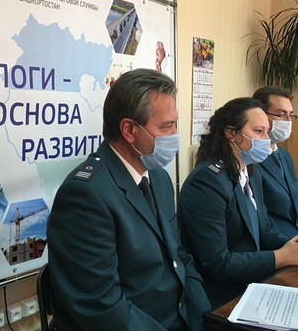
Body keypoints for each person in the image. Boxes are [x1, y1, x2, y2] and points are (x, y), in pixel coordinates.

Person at [47, 68, 210, 331]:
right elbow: (102, 306)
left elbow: (180, 257)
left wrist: (207, 320)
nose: (175, 134)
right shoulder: (84, 195)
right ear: (129, 130)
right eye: (166, 126)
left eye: (175, 124)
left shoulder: (158, 177)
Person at [177, 97, 298, 309]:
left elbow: (264, 228)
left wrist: (296, 246)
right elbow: (218, 264)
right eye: (258, 131)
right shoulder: (206, 182)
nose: (266, 139)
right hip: (220, 294)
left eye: (267, 131)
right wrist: (280, 257)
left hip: (252, 279)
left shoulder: (251, 170)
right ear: (231, 133)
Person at [252, 86, 298, 246]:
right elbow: (260, 218)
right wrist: (294, 247)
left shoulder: (285, 156)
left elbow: (297, 201)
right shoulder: (251, 159)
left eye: (290, 115)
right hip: (278, 245)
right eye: (281, 114)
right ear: (260, 115)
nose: (288, 121)